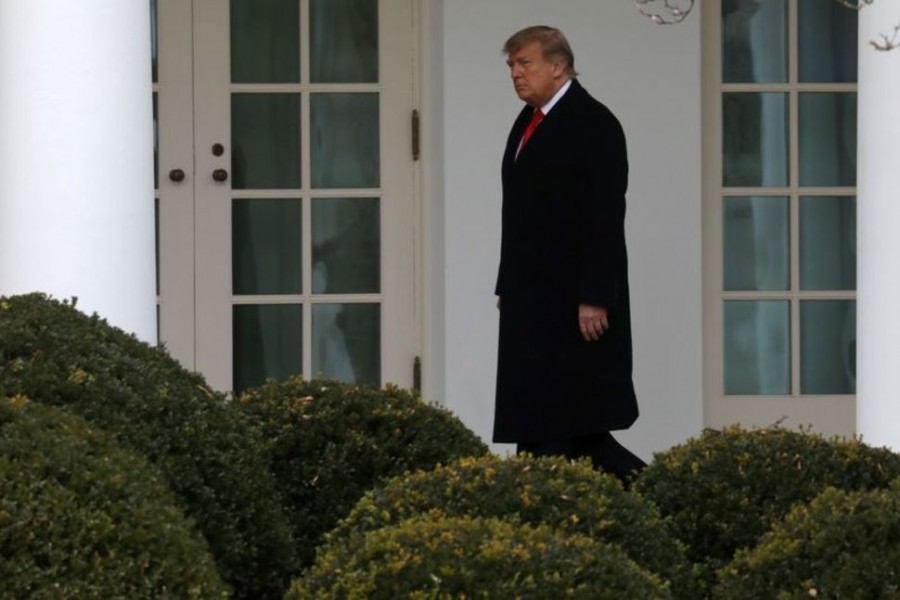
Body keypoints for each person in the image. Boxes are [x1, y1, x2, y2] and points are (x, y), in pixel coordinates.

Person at [493, 25, 645, 482]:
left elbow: (603, 216)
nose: (516, 74)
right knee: (545, 426)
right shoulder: (528, 121)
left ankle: (662, 499)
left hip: (574, 304)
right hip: (531, 301)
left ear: (557, 66)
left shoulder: (594, 124)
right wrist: (508, 285)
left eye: (525, 64)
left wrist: (596, 296)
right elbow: (519, 215)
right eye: (511, 66)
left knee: (571, 428)